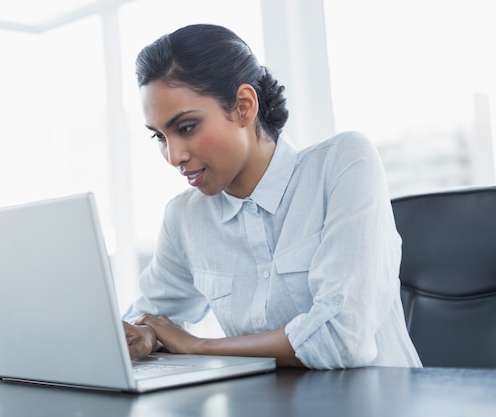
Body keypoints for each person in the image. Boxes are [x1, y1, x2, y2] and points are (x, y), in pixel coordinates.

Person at [122, 23, 422, 369]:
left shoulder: (343, 163)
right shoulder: (184, 218)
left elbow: (343, 339)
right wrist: (145, 335)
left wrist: (198, 345)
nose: (174, 156)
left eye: (186, 128)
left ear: (244, 107)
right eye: (159, 137)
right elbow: (146, 318)